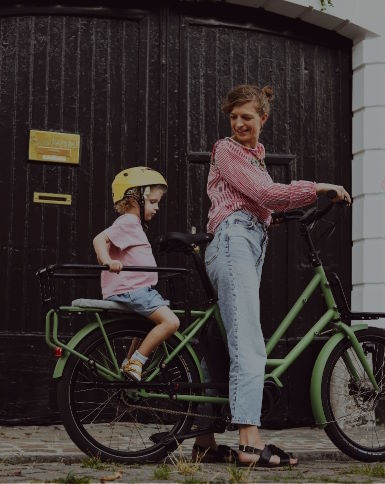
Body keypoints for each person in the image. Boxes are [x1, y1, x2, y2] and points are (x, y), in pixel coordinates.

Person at [193, 84, 351, 467]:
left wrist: (277, 216)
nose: (238, 123)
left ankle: (204, 439)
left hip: (246, 240)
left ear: (263, 118)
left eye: (246, 116)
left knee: (219, 342)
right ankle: (249, 441)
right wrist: (319, 188)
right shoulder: (227, 149)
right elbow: (265, 193)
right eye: (233, 117)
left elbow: (261, 202)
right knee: (248, 339)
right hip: (234, 241)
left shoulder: (255, 156)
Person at [93, 166, 180, 382]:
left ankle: (129, 362)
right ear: (134, 200)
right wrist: (107, 261)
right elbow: (98, 239)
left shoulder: (134, 225)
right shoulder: (128, 222)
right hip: (132, 290)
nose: (157, 207)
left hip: (135, 290)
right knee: (171, 323)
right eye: (152, 201)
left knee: (148, 324)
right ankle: (137, 361)